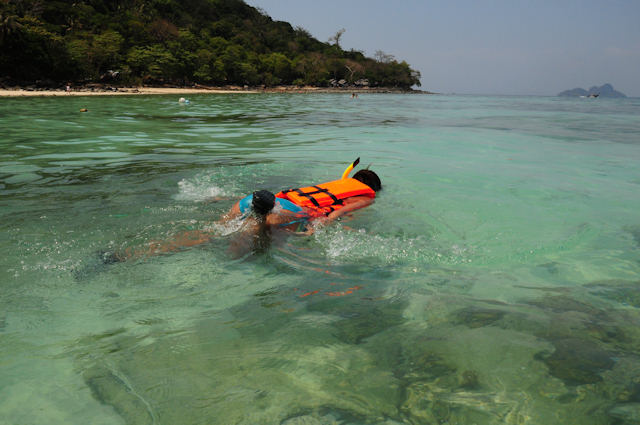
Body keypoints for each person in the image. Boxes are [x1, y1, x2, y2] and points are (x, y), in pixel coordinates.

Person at [104, 161, 381, 261]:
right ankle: (261, 219)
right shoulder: (366, 196)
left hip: (256, 198)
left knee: (210, 233)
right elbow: (337, 213)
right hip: (284, 209)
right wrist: (319, 227)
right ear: (370, 188)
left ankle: (125, 256)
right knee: (237, 256)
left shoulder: (329, 184)